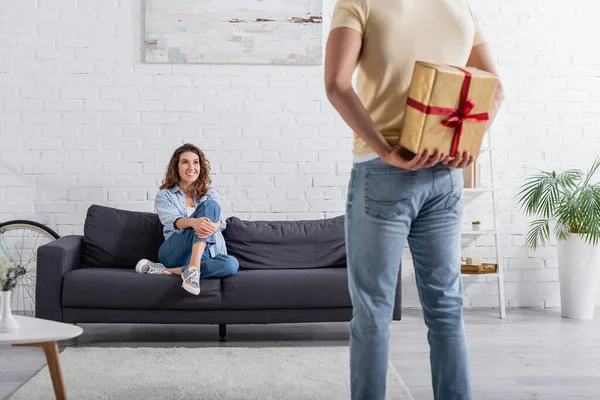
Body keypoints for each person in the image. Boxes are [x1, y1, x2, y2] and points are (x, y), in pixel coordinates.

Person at [325, 0, 505, 399]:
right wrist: (466, 143)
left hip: (382, 173)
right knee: (446, 310)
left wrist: (387, 150)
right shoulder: (459, 7)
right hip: (445, 175)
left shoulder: (359, 3)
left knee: (372, 313)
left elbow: (337, 84)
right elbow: (495, 88)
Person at [136, 143, 239, 295]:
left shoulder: (210, 193)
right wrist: (194, 223)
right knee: (209, 207)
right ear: (176, 167)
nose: (191, 167)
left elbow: (221, 222)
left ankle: (175, 271)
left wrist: (215, 226)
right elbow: (173, 221)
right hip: (176, 250)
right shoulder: (165, 195)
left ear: (201, 167)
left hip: (207, 252)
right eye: (185, 162)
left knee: (231, 264)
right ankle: (194, 268)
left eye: (195, 162)